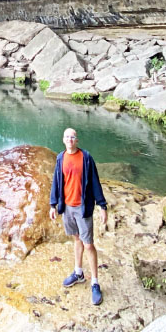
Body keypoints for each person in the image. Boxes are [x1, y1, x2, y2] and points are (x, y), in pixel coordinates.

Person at [49, 127, 108, 305]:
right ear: (63, 139)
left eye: (73, 137)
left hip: (83, 208)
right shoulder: (60, 158)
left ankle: (95, 283)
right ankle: (78, 272)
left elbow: (96, 183)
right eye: (67, 137)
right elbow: (57, 182)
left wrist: (102, 206)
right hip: (67, 207)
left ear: (77, 140)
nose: (70, 140)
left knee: (89, 244)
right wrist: (53, 204)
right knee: (76, 240)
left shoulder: (86, 158)